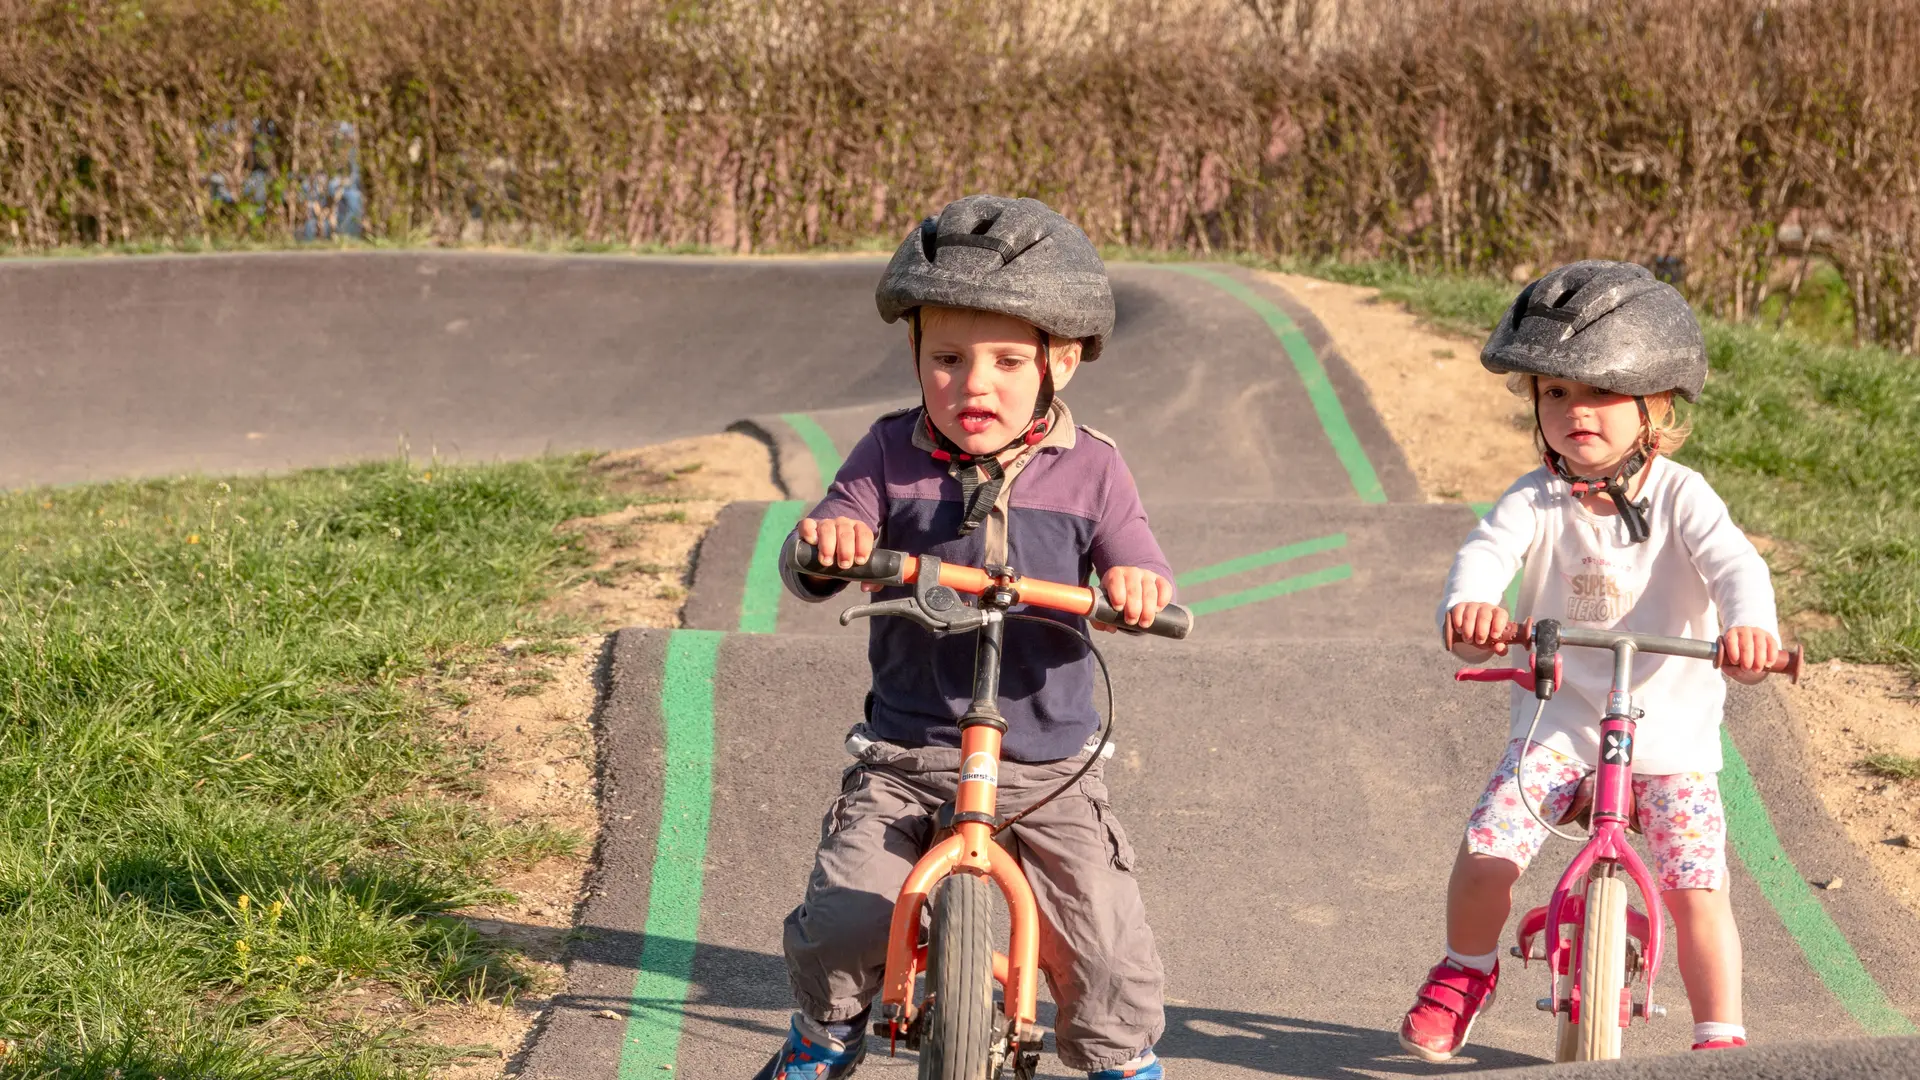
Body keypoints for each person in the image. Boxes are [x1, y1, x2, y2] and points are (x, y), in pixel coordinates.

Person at [753, 195, 1175, 1080]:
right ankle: (824, 1035)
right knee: (848, 914)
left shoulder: (1094, 466)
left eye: (1006, 360)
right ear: (915, 355)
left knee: (1102, 938)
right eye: (946, 358)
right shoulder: (886, 453)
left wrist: (1137, 585)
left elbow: (1137, 558)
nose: (971, 385)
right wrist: (834, 545)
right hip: (908, 751)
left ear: (1060, 363)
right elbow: (820, 549)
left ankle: (1118, 1060)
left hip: (1047, 765)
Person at [1398, 260, 1782, 1061]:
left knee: (1698, 891)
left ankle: (1720, 1035)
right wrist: (1468, 612)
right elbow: (1483, 555)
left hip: (1670, 738)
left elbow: (1736, 569)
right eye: (1555, 394)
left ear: (1655, 409)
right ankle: (1465, 971)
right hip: (1562, 726)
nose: (1576, 412)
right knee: (1485, 853)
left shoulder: (1684, 497)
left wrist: (1751, 631)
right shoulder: (1533, 500)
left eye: (1602, 393)